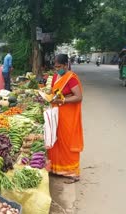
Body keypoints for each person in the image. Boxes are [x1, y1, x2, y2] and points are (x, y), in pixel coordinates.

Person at [49, 54, 84, 183]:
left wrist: (63, 101)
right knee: (56, 140)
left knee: (68, 142)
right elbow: (52, 92)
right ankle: (58, 169)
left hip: (68, 115)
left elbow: (78, 96)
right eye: (55, 67)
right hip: (56, 113)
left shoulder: (71, 78)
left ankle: (73, 173)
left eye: (59, 66)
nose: (57, 69)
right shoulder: (55, 77)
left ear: (65, 65)